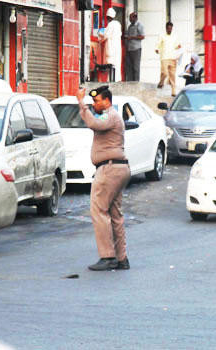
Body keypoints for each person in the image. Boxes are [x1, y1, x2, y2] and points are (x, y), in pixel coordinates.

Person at [76, 85, 131, 271]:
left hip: (109, 169)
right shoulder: (108, 115)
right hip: (116, 168)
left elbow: (94, 124)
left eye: (97, 101)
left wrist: (81, 104)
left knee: (99, 210)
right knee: (114, 214)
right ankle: (121, 258)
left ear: (107, 101)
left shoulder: (110, 115)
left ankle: (108, 257)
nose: (94, 104)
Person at [156, 22, 182, 96]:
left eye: (170, 28)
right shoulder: (162, 35)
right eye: (168, 28)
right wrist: (157, 49)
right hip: (164, 57)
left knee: (172, 75)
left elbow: (177, 45)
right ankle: (161, 82)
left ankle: (173, 91)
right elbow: (158, 43)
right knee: (165, 73)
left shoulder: (175, 36)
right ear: (166, 28)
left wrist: (179, 47)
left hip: (173, 57)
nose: (169, 30)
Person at [99, 8, 122, 82]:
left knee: (110, 64)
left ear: (108, 17)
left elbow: (106, 35)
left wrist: (99, 38)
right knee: (116, 64)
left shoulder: (111, 24)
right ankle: (116, 79)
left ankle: (111, 80)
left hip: (111, 47)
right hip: (117, 47)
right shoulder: (118, 24)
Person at [124, 12, 145, 81]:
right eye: (129, 18)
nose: (130, 19)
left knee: (136, 68)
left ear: (135, 18)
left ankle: (136, 83)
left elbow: (142, 36)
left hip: (136, 49)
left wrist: (132, 37)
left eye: (131, 18)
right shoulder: (130, 26)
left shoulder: (139, 25)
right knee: (129, 67)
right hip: (129, 49)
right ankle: (130, 83)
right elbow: (128, 35)